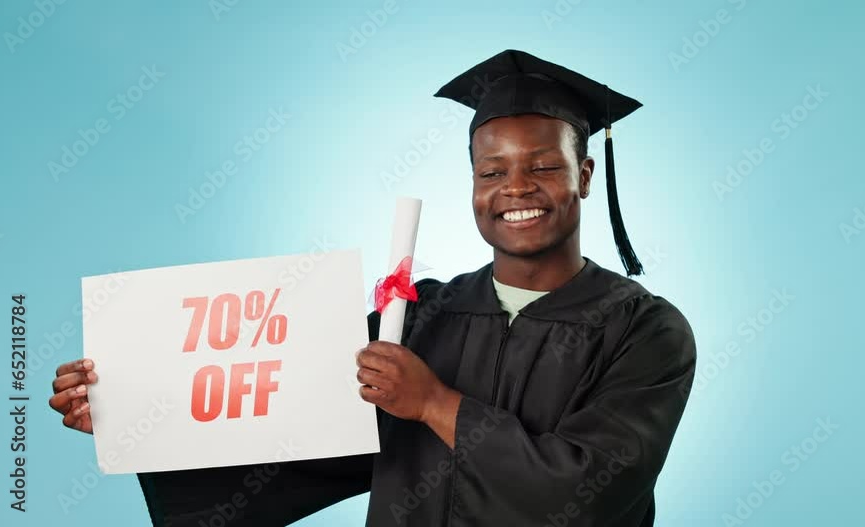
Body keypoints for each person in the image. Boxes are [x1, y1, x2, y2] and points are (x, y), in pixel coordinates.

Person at [49, 49, 696, 526]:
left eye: (544, 166)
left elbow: (597, 491)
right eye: (491, 169)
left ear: (584, 173)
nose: (515, 187)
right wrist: (129, 414)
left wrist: (436, 402)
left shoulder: (644, 329)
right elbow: (280, 421)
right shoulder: (418, 316)